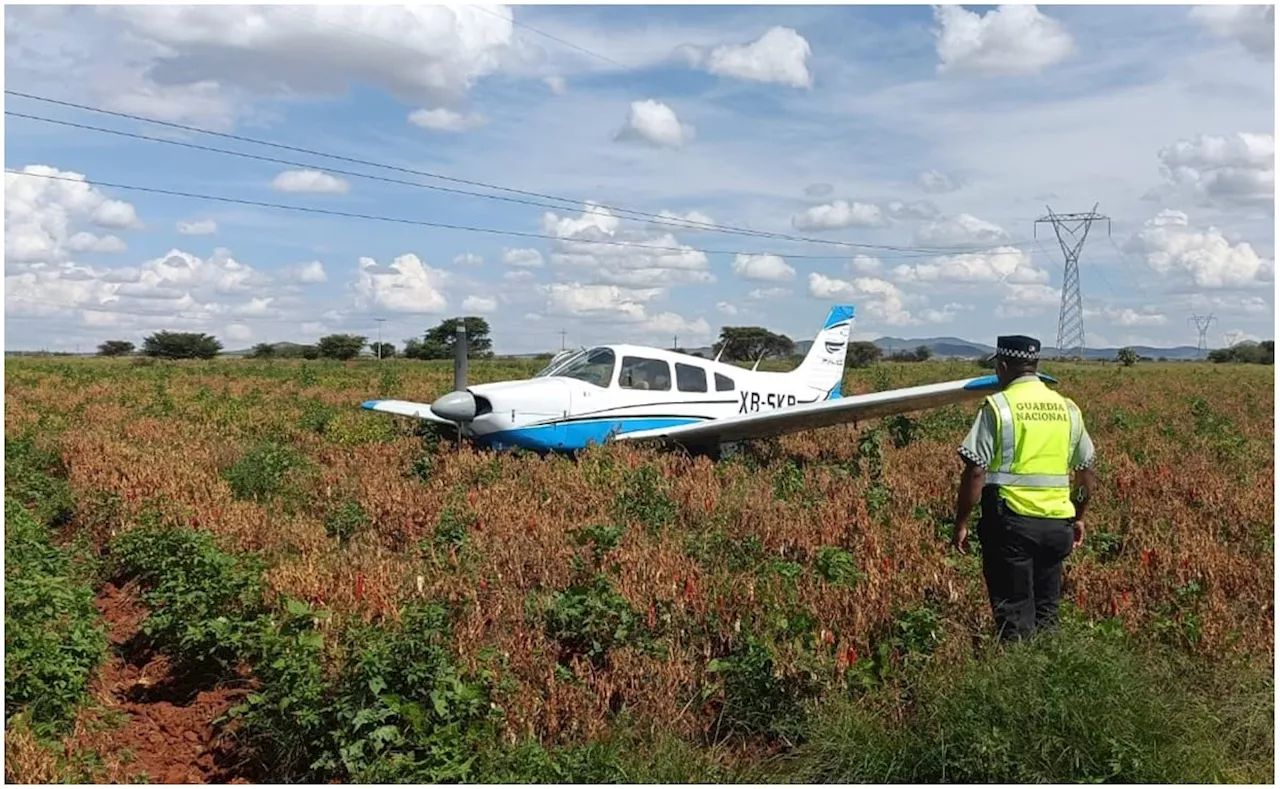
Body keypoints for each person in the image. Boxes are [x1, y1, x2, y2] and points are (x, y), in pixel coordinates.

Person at [951, 335, 1096, 641]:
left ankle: (1019, 681)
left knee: (1014, 617)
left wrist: (961, 521)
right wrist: (1080, 517)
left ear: (1003, 366)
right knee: (1047, 612)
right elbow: (1085, 473)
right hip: (1059, 525)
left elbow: (976, 468)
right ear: (1035, 364)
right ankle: (1052, 674)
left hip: (1012, 526)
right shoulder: (1068, 408)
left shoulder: (998, 406)